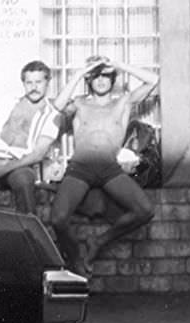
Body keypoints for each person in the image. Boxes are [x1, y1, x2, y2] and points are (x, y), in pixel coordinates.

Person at [50, 55, 159, 276]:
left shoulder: (123, 102)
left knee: (145, 210)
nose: (101, 80)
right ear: (89, 79)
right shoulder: (80, 103)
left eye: (106, 75)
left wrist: (118, 64)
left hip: (110, 168)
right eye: (96, 76)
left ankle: (98, 242)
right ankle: (76, 259)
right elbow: (58, 105)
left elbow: (154, 80)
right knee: (58, 219)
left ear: (113, 78)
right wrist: (81, 72)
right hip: (80, 167)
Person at [0, 60, 61, 214]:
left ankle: (28, 231)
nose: (34, 87)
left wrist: (5, 169)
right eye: (29, 82)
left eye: (38, 82)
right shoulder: (9, 103)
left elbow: (38, 154)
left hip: (20, 165)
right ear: (23, 84)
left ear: (47, 82)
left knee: (24, 183)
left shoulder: (52, 115)